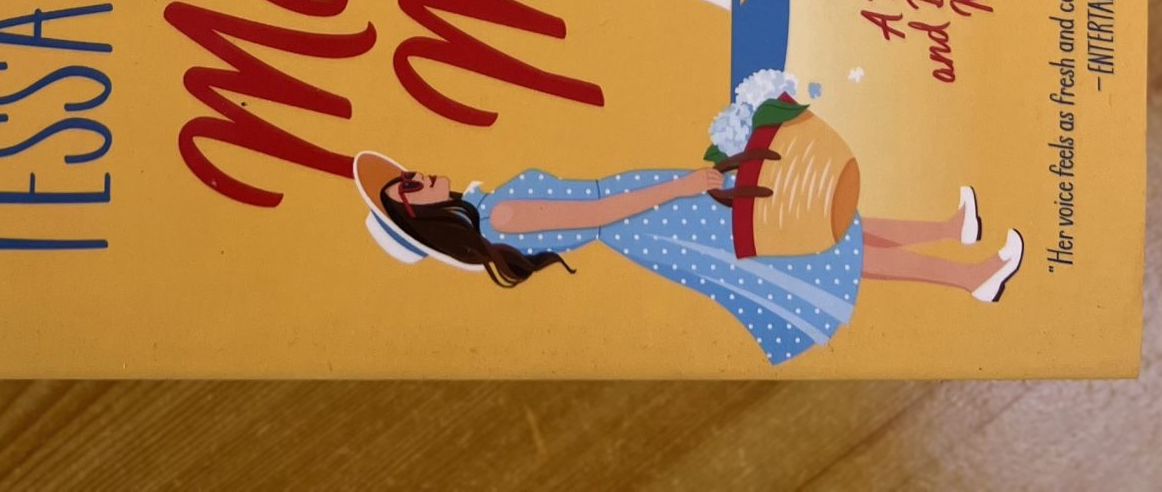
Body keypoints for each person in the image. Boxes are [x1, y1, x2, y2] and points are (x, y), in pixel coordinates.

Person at [351, 152, 1026, 367]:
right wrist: (678, 187)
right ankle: (971, 276)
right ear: (419, 214)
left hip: (655, 216)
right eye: (408, 187)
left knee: (818, 231)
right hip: (658, 222)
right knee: (818, 253)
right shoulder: (500, 216)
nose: (417, 174)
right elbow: (596, 213)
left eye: (407, 175)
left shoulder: (490, 206)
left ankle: (950, 230)